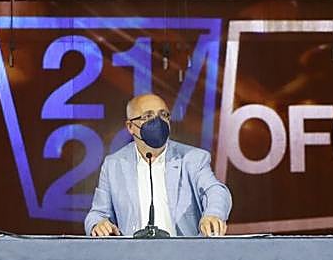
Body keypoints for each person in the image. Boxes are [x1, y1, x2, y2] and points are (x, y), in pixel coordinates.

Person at [85, 93, 231, 237]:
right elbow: (97, 214)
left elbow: (216, 190)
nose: (158, 122)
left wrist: (213, 214)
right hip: (133, 256)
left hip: (183, 255)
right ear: (130, 126)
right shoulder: (113, 165)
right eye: (148, 116)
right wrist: (98, 224)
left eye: (163, 115)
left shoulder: (192, 158)